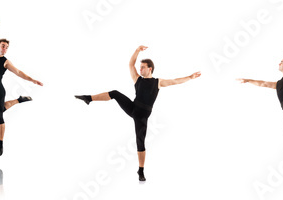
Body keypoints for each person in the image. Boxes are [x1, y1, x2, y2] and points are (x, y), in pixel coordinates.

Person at [74, 45, 201, 181]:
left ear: (150, 68)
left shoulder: (157, 82)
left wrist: (190, 77)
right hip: (133, 108)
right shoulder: (137, 79)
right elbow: (130, 64)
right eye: (140, 67)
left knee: (140, 142)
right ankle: (89, 98)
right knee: (115, 93)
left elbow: (176, 81)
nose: (140, 69)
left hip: (142, 116)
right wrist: (137, 51)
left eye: (142, 67)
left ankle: (140, 171)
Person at [0, 17, 44, 156]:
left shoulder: (6, 62)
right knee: (0, 109)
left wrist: (32, 80)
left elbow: (18, 72)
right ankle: (19, 100)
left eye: (7, 47)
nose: (5, 48)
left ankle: (0, 144)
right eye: (3, 46)